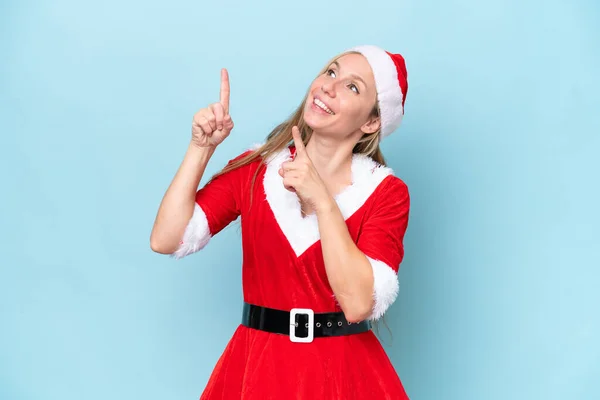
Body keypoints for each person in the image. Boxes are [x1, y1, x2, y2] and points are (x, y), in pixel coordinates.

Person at [150, 44, 411, 399]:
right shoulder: (257, 170)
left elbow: (357, 303)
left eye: (353, 87)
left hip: (344, 375)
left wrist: (322, 201)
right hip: (257, 367)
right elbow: (167, 239)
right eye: (331, 72)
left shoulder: (386, 193)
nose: (329, 86)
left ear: (371, 122)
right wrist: (201, 148)